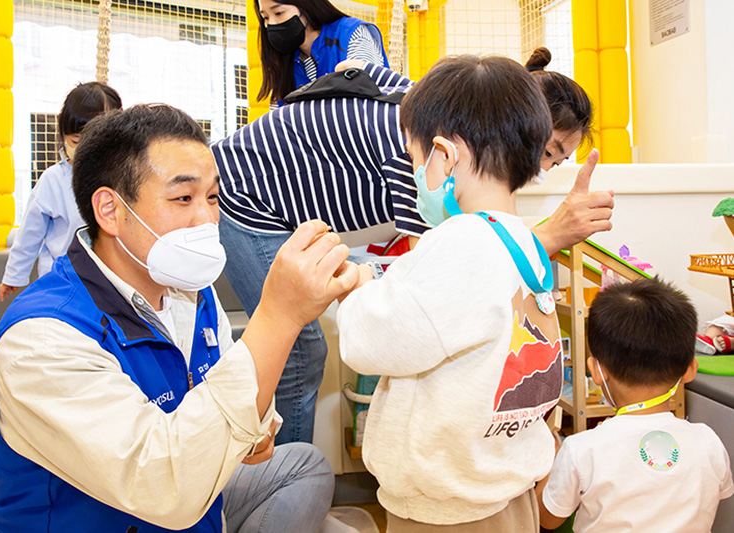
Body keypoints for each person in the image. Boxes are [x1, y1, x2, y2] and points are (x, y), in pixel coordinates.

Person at [0, 104, 360, 532]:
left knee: (305, 465)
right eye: (183, 198)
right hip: (148, 504)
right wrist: (280, 314)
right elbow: (162, 487)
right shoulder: (42, 340)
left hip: (198, 500)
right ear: (110, 210)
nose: (207, 219)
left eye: (213, 198)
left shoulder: (192, 293)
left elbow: (236, 395)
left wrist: (259, 425)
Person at [212, 57, 611, 444]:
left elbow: (359, 68)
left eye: (557, 162)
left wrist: (365, 279)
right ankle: (282, 479)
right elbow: (439, 276)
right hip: (244, 198)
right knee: (300, 350)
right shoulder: (419, 151)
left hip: (268, 200)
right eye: (546, 151)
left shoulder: (425, 109)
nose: (540, 170)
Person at [337, 54, 562, 531]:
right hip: (504, 490)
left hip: (449, 512)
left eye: (415, 158)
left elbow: (372, 342)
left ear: (444, 154)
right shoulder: (519, 237)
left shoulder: (460, 242)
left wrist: (356, 288)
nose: (416, 171)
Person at [538, 278, 733, 532]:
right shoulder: (709, 441)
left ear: (596, 371)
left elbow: (548, 518)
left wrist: (548, 463)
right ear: (689, 371)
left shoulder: (581, 449)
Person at [0, 82, 122, 302]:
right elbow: (30, 233)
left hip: (113, 282)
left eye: (97, 141)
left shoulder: (123, 178)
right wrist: (14, 276)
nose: (85, 150)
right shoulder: (53, 180)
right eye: (76, 141)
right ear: (64, 138)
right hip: (64, 283)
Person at [255, 0, 388, 104]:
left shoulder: (351, 34)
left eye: (279, 13)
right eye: (265, 18)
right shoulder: (285, 64)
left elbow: (368, 94)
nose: (272, 23)